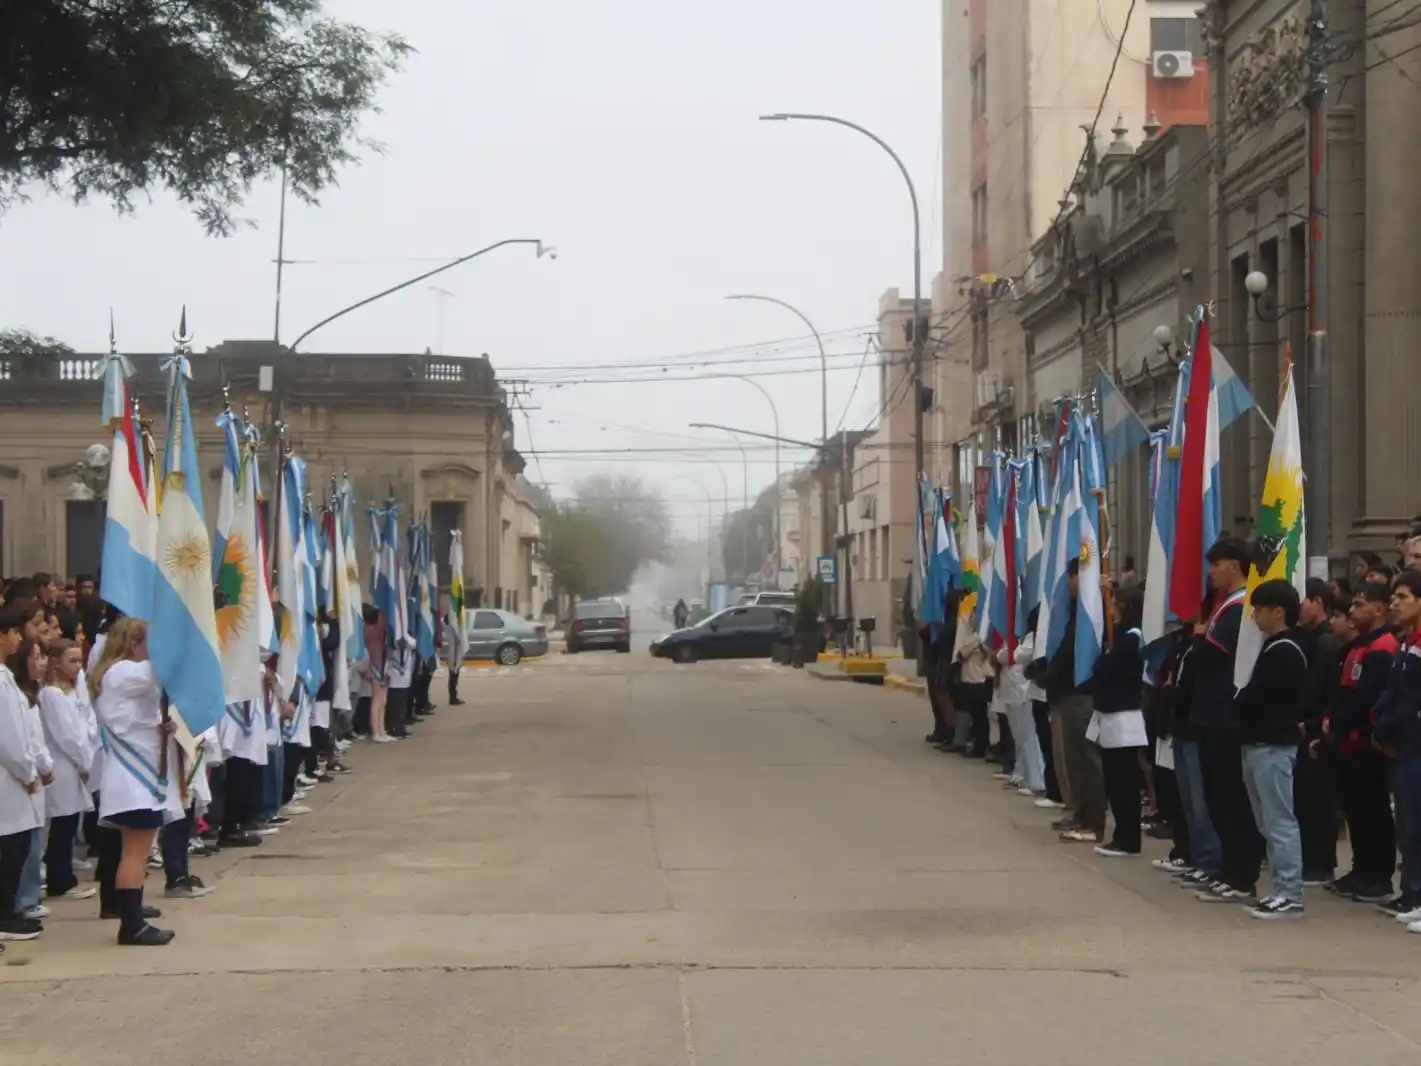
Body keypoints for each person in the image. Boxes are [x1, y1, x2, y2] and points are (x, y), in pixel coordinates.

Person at [90, 618, 179, 945]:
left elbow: (137, 720)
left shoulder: (120, 674)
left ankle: (133, 918)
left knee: (134, 852)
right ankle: (131, 925)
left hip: (134, 776)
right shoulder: (123, 671)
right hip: (133, 778)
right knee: (135, 854)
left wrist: (161, 726)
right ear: (132, 643)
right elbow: (166, 669)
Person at [1188, 538, 1264, 904]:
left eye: (1216, 565)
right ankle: (1229, 869)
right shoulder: (1224, 605)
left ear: (1233, 566)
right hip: (1209, 714)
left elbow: (1209, 654)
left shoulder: (1240, 607)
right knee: (1217, 796)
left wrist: (1201, 637)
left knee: (1232, 798)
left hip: (1225, 716)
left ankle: (1242, 873)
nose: (1211, 573)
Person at [1233, 579, 1309, 919]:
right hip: (1259, 743)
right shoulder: (1274, 647)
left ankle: (1290, 892)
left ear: (1279, 611)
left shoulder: (1286, 650)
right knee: (1268, 822)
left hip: (1273, 746)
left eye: (1260, 609)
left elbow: (1259, 695)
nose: (1255, 617)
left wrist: (1240, 701)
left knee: (1280, 822)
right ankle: (1279, 888)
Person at [1326, 580, 1399, 903]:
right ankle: (1361, 868)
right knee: (1356, 809)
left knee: (1373, 811)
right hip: (1347, 742)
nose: (1352, 610)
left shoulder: (1382, 647)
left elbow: (1372, 696)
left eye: (1359, 605)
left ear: (1379, 608)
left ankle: (1378, 876)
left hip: (1366, 743)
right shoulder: (1358, 645)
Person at [1373, 569, 1421, 927]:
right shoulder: (1407, 642)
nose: (1394, 603)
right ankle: (1411, 892)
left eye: (1403, 597)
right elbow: (1394, 695)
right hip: (1402, 747)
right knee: (1407, 824)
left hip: (1415, 746)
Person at [1046, 559, 1104, 843]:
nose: (1068, 584)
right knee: (1074, 761)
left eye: (1072, 577)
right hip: (1067, 693)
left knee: (1086, 761)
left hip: (1081, 694)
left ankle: (1093, 822)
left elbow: (1073, 653)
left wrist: (1051, 674)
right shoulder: (1074, 613)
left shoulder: (1090, 613)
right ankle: (1082, 814)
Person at [1089, 585, 1148, 857]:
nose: (1111, 611)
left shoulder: (1132, 638)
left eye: (1114, 605)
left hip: (1125, 716)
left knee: (1123, 781)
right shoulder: (1120, 637)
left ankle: (1128, 838)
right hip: (1112, 714)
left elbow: (1104, 668)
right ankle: (1122, 835)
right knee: (1114, 780)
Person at [38, 639, 97, 901]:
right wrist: (85, 763)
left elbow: (86, 724)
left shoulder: (73, 690)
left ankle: (63, 877)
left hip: (76, 762)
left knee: (70, 820)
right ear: (56, 663)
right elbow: (67, 735)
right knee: (61, 823)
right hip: (63, 764)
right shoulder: (51, 693)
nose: (77, 666)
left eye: (79, 661)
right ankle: (59, 880)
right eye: (71, 661)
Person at [1295, 578, 1341, 886]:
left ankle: (1321, 863)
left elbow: (1318, 689)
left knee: (1317, 799)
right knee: (1305, 798)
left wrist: (1311, 725)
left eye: (1302, 602)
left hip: (1316, 728)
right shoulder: (1308, 637)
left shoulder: (1326, 642)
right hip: (1305, 726)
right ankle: (1311, 859)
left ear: (1318, 602)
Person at [0, 604, 41, 942]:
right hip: (8, 779)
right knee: (10, 850)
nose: (18, 639)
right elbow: (9, 738)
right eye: (14, 633)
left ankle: (10, 909)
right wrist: (27, 772)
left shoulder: (5, 677)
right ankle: (5, 913)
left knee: (17, 846)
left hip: (12, 778)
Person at [11, 639, 51, 924]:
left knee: (34, 841)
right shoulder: (17, 695)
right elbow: (23, 742)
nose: (42, 662)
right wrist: (37, 768)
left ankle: (29, 896)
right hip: (24, 777)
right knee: (24, 846)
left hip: (34, 776)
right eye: (36, 657)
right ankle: (22, 901)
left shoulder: (30, 694)